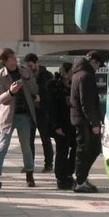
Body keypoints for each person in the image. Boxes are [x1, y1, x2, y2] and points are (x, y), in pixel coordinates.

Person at [0, 48, 39, 191]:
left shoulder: (24, 71)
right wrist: (11, 92)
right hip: (8, 116)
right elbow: (0, 98)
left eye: (14, 57)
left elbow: (35, 90)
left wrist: (28, 78)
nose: (14, 60)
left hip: (24, 115)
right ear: (4, 61)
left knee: (26, 146)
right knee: (2, 146)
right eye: (11, 58)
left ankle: (29, 175)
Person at [70, 51, 104, 193]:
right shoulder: (86, 76)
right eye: (97, 65)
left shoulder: (78, 74)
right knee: (87, 150)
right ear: (93, 61)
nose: (97, 68)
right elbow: (87, 103)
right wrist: (95, 123)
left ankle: (81, 178)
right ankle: (80, 180)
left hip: (80, 119)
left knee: (86, 149)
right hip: (85, 120)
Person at [46, 62, 77, 190]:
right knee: (62, 151)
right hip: (60, 124)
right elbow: (51, 108)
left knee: (76, 148)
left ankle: (69, 173)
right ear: (65, 72)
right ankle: (61, 177)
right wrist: (56, 126)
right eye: (71, 72)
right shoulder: (54, 86)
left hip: (72, 123)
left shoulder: (73, 85)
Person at [24, 53, 55, 173]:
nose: (29, 68)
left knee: (45, 139)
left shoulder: (47, 75)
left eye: (31, 66)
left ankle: (48, 164)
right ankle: (29, 164)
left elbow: (50, 93)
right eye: (27, 66)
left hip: (43, 111)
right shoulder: (26, 76)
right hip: (30, 111)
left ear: (37, 63)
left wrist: (40, 97)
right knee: (28, 139)